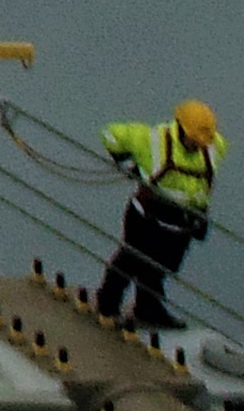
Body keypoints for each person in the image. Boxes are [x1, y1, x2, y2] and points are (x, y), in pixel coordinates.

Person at [91, 101, 222, 328]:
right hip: (147, 217)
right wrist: (125, 158)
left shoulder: (213, 146)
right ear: (180, 128)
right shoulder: (152, 140)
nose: (197, 145)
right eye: (193, 139)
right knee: (130, 260)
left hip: (182, 223)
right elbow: (109, 134)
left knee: (162, 267)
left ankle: (147, 308)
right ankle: (107, 305)